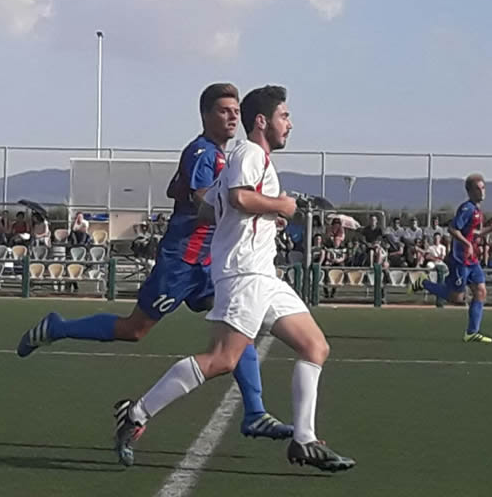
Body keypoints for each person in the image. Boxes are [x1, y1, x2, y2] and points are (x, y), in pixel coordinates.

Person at [16, 83, 293, 441]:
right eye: (224, 110)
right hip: (184, 260)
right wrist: (251, 207)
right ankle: (57, 327)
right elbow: (201, 203)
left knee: (238, 329)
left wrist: (258, 214)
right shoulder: (203, 152)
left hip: (211, 262)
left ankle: (255, 412)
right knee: (135, 329)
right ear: (206, 115)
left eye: (235, 111)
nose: (232, 117)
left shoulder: (229, 156)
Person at [112, 85, 355, 472]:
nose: (289, 124)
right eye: (284, 116)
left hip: (262, 274)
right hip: (244, 274)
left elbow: (211, 210)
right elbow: (241, 199)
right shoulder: (250, 153)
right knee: (222, 359)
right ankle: (136, 414)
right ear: (262, 121)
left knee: (315, 347)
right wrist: (282, 207)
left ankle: (304, 441)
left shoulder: (249, 158)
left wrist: (255, 214)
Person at [411, 174, 492, 343]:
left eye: (483, 187)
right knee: (457, 298)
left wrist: (491, 228)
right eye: (478, 188)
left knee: (481, 292)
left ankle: (472, 332)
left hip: (471, 259)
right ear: (469, 191)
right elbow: (453, 229)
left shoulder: (477, 211)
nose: (482, 191)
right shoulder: (466, 208)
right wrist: (466, 244)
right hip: (460, 260)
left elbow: (474, 233)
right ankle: (423, 282)